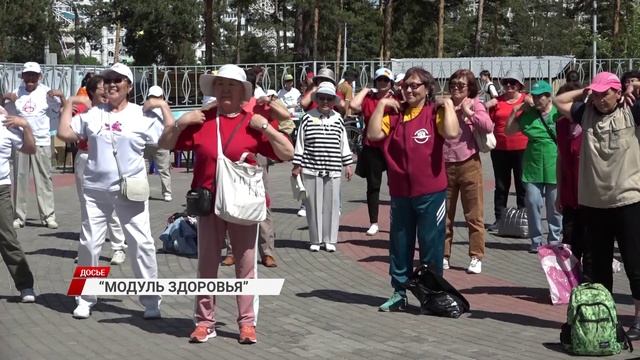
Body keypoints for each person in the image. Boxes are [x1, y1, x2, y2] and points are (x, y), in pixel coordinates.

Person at [157, 64, 293, 344]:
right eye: (220, 85)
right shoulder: (202, 119)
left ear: (243, 91)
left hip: (243, 204)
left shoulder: (253, 120)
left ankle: (247, 324)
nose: (225, 90)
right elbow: (165, 144)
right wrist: (180, 122)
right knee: (207, 264)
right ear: (214, 90)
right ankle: (205, 322)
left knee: (245, 265)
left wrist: (266, 127)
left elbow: (288, 152)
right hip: (208, 204)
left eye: (232, 85)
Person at [57, 63, 166, 320]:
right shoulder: (93, 114)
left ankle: (151, 300)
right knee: (90, 244)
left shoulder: (141, 115)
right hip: (96, 189)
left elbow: (165, 140)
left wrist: (163, 108)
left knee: (141, 243)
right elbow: (64, 133)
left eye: (118, 80)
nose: (112, 84)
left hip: (130, 191)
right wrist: (68, 104)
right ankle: (85, 297)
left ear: (129, 86)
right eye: (108, 80)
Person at [554, 71, 640, 339]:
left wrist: (635, 87)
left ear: (618, 92)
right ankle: (606, 318)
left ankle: (638, 319)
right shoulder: (584, 113)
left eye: (606, 93)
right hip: (593, 204)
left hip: (628, 200)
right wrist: (584, 93)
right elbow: (558, 100)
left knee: (635, 265)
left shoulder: (632, 113)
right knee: (599, 268)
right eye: (597, 93)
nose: (601, 99)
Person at [367, 67, 460, 312]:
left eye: (415, 85)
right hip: (400, 193)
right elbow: (374, 134)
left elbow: (452, 133)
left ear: (427, 88)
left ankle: (432, 295)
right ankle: (399, 292)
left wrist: (448, 105)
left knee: (431, 245)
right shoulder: (395, 114)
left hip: (431, 193)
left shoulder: (433, 113)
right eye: (406, 85)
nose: (409, 89)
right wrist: (380, 106)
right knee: (400, 244)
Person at [220, 68, 294, 268]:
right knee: (230, 202)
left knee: (262, 201)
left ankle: (267, 251)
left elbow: (287, 116)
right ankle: (231, 250)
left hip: (258, 158)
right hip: (233, 159)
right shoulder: (229, 105)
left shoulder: (259, 103)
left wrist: (270, 102)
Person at [69, 75, 128, 266]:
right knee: (87, 206)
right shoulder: (85, 112)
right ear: (93, 91)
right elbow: (65, 130)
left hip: (108, 161)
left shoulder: (116, 111)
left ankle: (118, 247)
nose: (108, 90)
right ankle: (87, 251)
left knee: (113, 206)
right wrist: (69, 103)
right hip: (86, 158)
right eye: (103, 87)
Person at [442, 69, 494, 274]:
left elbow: (488, 125)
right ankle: (443, 255)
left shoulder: (475, 103)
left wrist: (468, 112)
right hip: (444, 165)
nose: (456, 87)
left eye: (461, 85)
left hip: (469, 163)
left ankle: (476, 256)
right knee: (444, 215)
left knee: (474, 214)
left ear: (469, 88)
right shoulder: (444, 104)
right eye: (453, 83)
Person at [292, 81, 354, 252]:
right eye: (321, 98)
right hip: (312, 167)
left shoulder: (338, 119)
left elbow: (343, 143)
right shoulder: (307, 117)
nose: (325, 102)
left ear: (333, 100)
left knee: (332, 205)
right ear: (316, 99)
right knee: (313, 205)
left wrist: (348, 164)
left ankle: (330, 239)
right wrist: (297, 165)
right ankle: (315, 239)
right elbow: (300, 143)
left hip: (333, 168)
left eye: (329, 98)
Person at [2, 62, 62, 230]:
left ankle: (48, 215)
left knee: (44, 179)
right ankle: (19, 216)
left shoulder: (46, 92)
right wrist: (5, 97)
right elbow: (4, 112)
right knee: (20, 178)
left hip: (41, 140)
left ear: (39, 77)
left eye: (33, 75)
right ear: (22, 76)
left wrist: (61, 97)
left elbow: (59, 108)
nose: (30, 79)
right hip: (21, 141)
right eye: (27, 75)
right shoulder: (16, 92)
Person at [505, 80, 562, 253]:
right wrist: (516, 110)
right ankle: (536, 241)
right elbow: (508, 131)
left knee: (554, 206)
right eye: (534, 96)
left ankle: (554, 240)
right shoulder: (528, 114)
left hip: (554, 164)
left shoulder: (558, 113)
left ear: (548, 96)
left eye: (539, 97)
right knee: (532, 202)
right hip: (533, 165)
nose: (535, 100)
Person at [350, 67, 395, 236]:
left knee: (395, 185)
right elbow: (353, 105)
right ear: (375, 82)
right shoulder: (369, 98)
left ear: (390, 83)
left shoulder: (395, 98)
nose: (383, 83)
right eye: (380, 80)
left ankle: (396, 218)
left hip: (392, 146)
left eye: (386, 80)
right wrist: (366, 89)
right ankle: (373, 222)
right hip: (372, 147)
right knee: (373, 185)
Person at [0, 106, 37, 303]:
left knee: (7, 238)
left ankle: (25, 285)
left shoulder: (7, 125)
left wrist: (26, 127)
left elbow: (30, 149)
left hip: (0, 190)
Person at [484, 70, 528, 231]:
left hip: (522, 148)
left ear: (520, 85)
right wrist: (486, 106)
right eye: (506, 82)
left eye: (513, 82)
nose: (509, 85)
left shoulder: (527, 100)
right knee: (501, 186)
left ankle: (523, 218)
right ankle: (500, 219)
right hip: (500, 149)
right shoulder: (497, 102)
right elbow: (484, 122)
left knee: (522, 185)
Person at [554, 82, 585, 261]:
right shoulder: (561, 124)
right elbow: (560, 159)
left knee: (588, 244)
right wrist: (559, 194)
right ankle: (569, 285)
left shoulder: (590, 123)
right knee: (569, 243)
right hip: (568, 194)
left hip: (589, 196)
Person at [144, 85, 173, 201]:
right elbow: (170, 124)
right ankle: (167, 193)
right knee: (164, 170)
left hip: (147, 142)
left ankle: (144, 192)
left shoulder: (144, 108)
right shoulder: (164, 108)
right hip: (159, 143)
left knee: (143, 170)